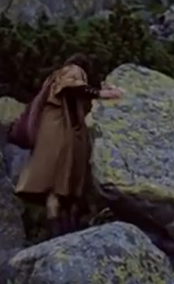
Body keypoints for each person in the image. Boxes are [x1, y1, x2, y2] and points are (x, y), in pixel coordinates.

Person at [14, 54, 124, 238]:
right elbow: (73, 86)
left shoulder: (53, 77)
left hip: (51, 131)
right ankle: (64, 233)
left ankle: (56, 232)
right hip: (60, 132)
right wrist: (103, 94)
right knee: (63, 184)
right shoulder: (72, 70)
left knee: (53, 188)